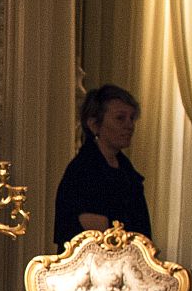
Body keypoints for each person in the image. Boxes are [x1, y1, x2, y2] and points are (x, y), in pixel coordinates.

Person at [53, 84, 152, 246]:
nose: (130, 125)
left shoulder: (126, 171)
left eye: (132, 118)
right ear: (94, 125)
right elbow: (100, 239)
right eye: (120, 118)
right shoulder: (84, 171)